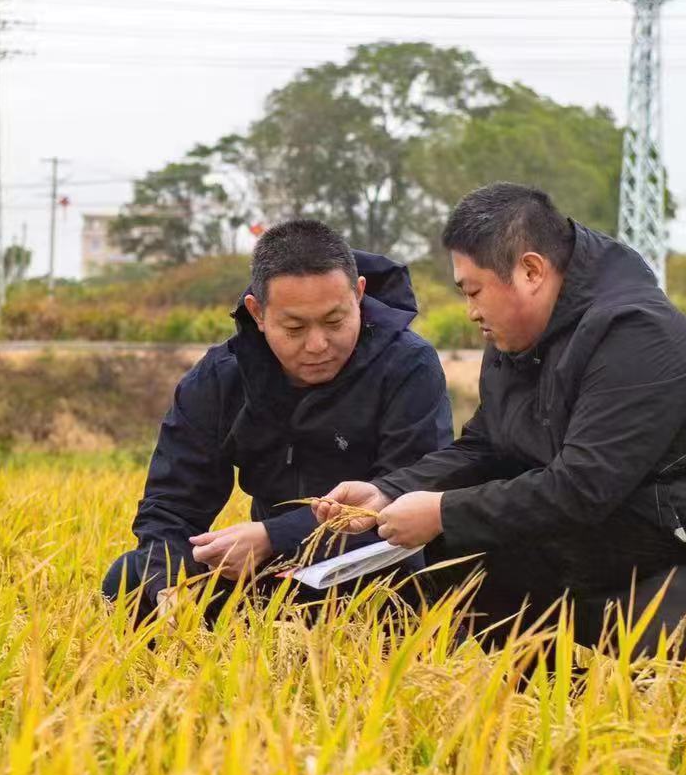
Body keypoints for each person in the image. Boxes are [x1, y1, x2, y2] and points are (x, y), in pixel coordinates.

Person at [318, 182, 686, 663]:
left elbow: (583, 486)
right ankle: (532, 692)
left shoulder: (636, 334)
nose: (471, 312)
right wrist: (389, 491)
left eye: (475, 291)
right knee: (454, 557)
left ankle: (582, 691)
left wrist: (443, 512)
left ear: (531, 270)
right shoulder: (516, 339)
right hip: (617, 553)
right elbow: (485, 447)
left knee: (645, 662)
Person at [103, 219, 453, 622]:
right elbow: (172, 503)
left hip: (377, 571)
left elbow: (409, 493)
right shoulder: (222, 377)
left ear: (358, 295)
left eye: (335, 321)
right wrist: (168, 578)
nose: (317, 344)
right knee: (131, 579)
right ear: (258, 313)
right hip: (271, 572)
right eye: (295, 327)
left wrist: (275, 537)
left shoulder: (408, 365)